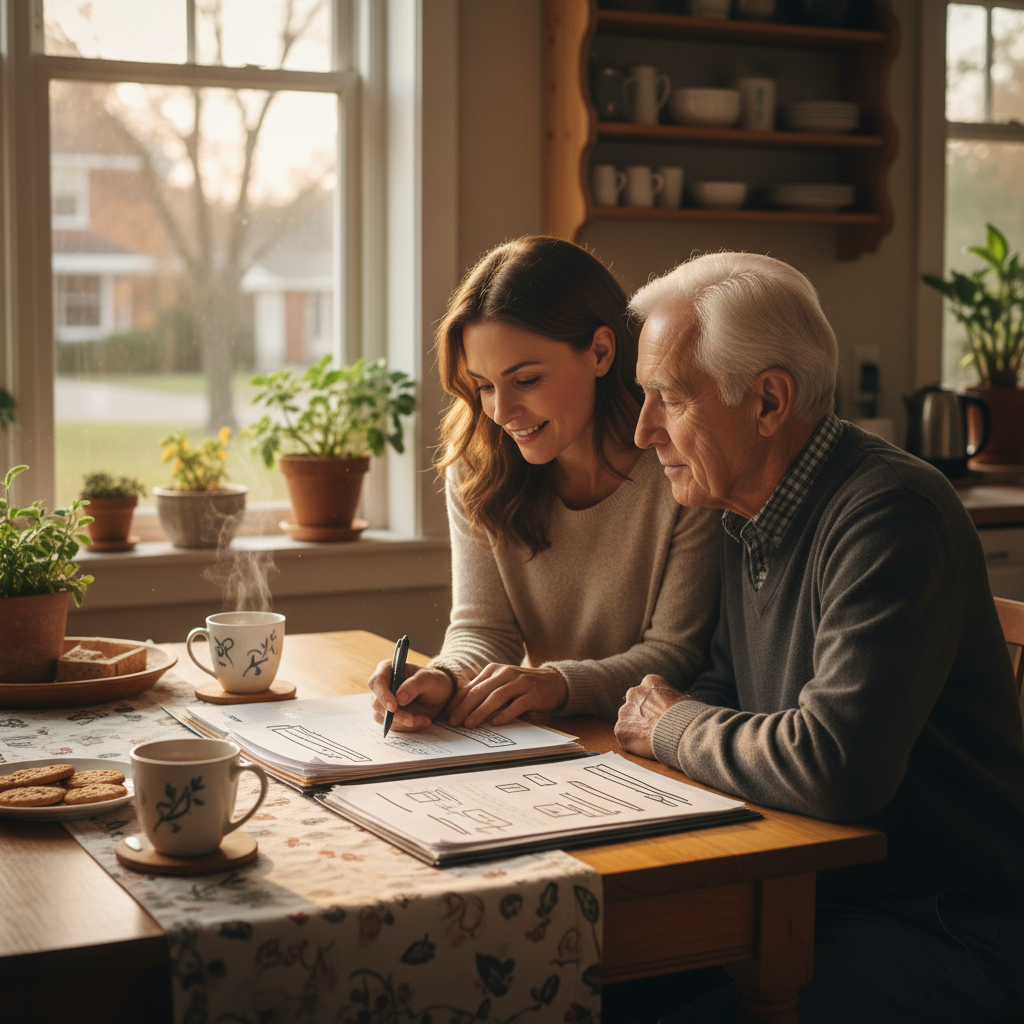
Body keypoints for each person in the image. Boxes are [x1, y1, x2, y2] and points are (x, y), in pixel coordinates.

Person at [613, 250, 1024, 1023]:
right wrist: (680, 722)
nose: (643, 431)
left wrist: (668, 726)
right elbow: (721, 691)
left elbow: (835, 766)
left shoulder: (891, 514)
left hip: (944, 924)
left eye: (668, 397)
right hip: (806, 891)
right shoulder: (746, 507)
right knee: (580, 979)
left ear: (768, 402)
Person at [368, 236, 721, 731]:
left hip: (659, 742)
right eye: (485, 386)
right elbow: (484, 628)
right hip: (560, 737)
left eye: (527, 380)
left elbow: (675, 657)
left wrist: (553, 685)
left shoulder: (679, 467)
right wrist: (444, 678)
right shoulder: (480, 464)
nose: (501, 413)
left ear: (599, 352)